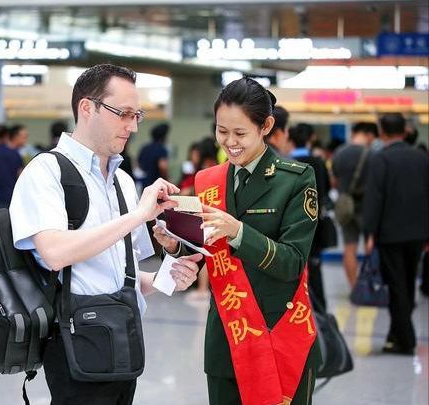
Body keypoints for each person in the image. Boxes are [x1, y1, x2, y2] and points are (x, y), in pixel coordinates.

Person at [9, 63, 202, 405]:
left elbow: (119, 275)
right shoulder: (46, 172)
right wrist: (139, 215)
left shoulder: (123, 182)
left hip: (123, 339)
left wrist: (166, 277)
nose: (133, 125)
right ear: (87, 108)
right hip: (74, 339)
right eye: (123, 113)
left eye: (137, 115)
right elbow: (54, 253)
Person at [154, 77, 320, 405]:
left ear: (266, 126)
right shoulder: (209, 180)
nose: (230, 142)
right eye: (222, 131)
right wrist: (173, 244)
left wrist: (239, 231)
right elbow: (205, 247)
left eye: (240, 133)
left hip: (279, 336)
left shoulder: (297, 179)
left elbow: (292, 262)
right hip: (227, 340)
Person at [364, 113, 429, 355]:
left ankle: (407, 339)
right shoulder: (422, 158)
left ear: (382, 132)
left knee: (396, 286)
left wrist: (369, 233)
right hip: (418, 232)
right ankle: (396, 335)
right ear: (406, 131)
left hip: (390, 233)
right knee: (409, 283)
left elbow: (375, 198)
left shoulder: (381, 159)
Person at [289, 123, 331, 310]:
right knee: (315, 271)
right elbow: (326, 191)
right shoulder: (319, 163)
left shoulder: (287, 163)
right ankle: (320, 312)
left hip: (291, 226)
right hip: (315, 225)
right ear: (311, 138)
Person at [332, 122, 375, 288]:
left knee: (350, 248)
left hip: (346, 207)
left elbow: (334, 181)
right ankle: (372, 284)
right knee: (371, 246)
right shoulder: (373, 155)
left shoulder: (340, 153)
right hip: (368, 206)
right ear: (368, 134)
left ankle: (354, 287)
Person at [138, 122, 170, 188]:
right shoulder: (162, 150)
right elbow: (163, 167)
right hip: (157, 184)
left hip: (145, 182)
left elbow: (139, 163)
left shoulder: (145, 148)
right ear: (163, 137)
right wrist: (167, 180)